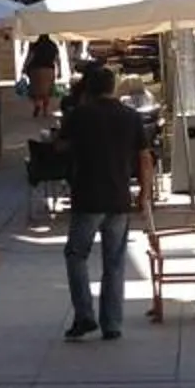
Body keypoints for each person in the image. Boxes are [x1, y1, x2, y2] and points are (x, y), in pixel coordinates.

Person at [60, 61, 152, 341]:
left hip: (87, 196)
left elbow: (60, 146)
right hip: (118, 197)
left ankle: (85, 315)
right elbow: (145, 159)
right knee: (114, 261)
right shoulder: (131, 116)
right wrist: (145, 194)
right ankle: (112, 323)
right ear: (113, 88)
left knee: (76, 255)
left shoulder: (79, 116)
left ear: (88, 89)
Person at [22, 29, 60, 124]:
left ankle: (37, 104)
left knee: (35, 89)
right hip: (49, 69)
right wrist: (60, 70)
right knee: (47, 91)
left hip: (36, 69)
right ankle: (45, 110)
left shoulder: (34, 44)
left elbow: (30, 56)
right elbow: (57, 59)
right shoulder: (53, 45)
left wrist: (24, 66)